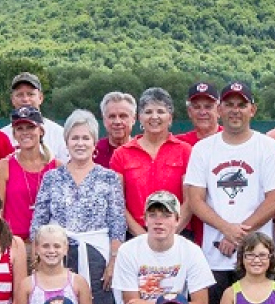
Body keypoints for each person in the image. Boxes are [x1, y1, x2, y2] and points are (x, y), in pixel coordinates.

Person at [185, 81, 275, 304]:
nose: (235, 110)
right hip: (214, 255)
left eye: (242, 105)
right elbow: (195, 199)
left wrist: (236, 235)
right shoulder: (203, 149)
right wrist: (226, 229)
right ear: (219, 109)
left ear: (253, 109)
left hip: (258, 256)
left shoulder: (268, 147)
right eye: (229, 104)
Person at [31, 110, 126, 304]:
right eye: (75, 138)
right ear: (66, 142)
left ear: (94, 142)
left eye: (86, 138)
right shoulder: (52, 177)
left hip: (96, 256)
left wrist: (113, 261)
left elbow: (117, 222)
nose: (80, 143)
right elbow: (39, 222)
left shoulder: (108, 177)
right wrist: (38, 258)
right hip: (57, 255)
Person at [112, 191, 218, 304]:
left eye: (166, 215)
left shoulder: (191, 250)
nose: (158, 221)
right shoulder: (128, 251)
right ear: (145, 219)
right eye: (152, 215)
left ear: (177, 220)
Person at [110, 87, 194, 238]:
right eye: (148, 112)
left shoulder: (185, 151)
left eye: (161, 111)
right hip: (135, 236)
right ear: (139, 117)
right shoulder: (121, 154)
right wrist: (142, 236)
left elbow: (190, 200)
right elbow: (117, 202)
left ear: (170, 117)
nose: (154, 116)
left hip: (178, 234)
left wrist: (171, 233)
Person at [15, 225, 104, 304]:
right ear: (37, 248)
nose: (51, 251)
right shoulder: (27, 285)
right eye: (45, 246)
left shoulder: (78, 283)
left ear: (66, 249)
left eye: (57, 246)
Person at [0, 107, 58, 241]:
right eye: (20, 129)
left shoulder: (56, 167)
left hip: (48, 245)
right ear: (14, 134)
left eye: (30, 127)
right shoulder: (3, 166)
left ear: (41, 131)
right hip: (14, 242)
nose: (25, 133)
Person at [7, 72, 69, 163]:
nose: (25, 99)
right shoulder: (2, 136)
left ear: (40, 97)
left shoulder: (60, 134)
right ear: (12, 99)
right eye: (20, 95)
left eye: (30, 94)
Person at [93, 92, 137, 167]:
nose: (117, 122)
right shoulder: (93, 152)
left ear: (134, 119)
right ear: (104, 120)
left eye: (123, 116)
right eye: (112, 116)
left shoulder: (143, 151)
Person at [177, 80, 221, 146]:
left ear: (219, 110)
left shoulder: (233, 139)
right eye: (196, 107)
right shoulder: (178, 143)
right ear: (189, 111)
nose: (202, 112)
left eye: (208, 107)